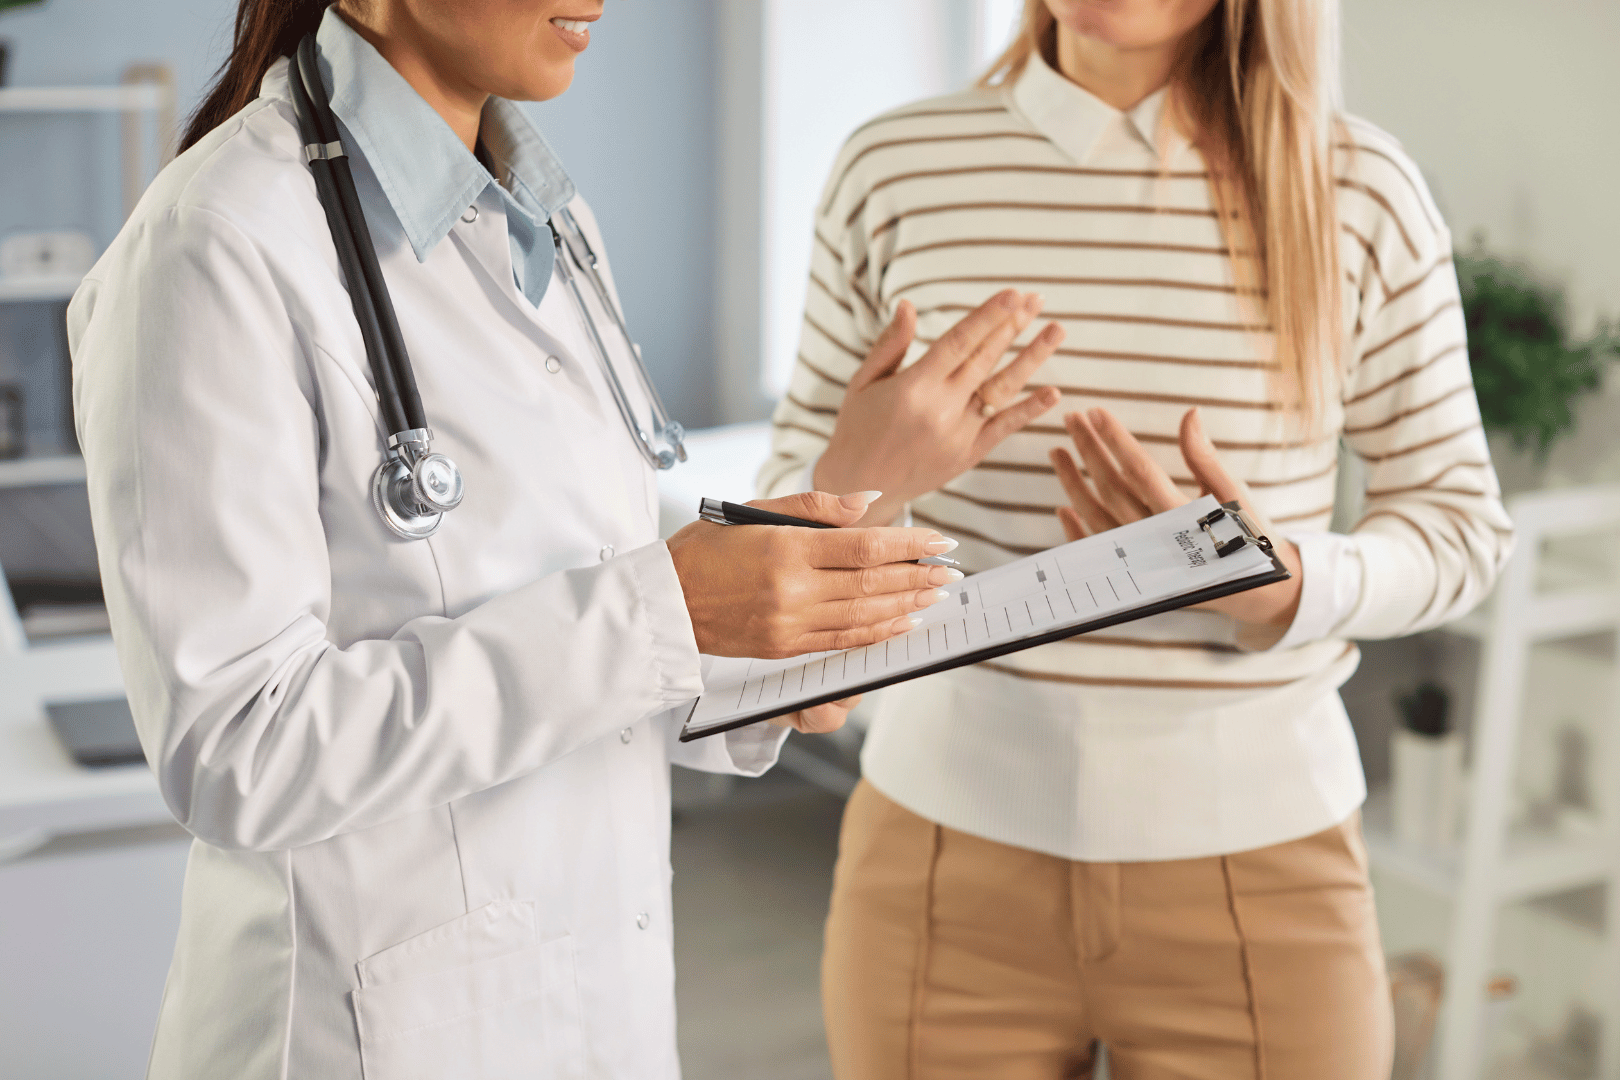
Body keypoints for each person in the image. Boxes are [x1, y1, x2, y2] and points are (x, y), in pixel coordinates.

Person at [60, 1, 1045, 1076]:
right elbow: (240, 752)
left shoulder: (547, 223)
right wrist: (668, 612)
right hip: (367, 1028)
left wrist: (760, 650)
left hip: (595, 997)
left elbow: (597, 634)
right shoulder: (215, 243)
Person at [763, 0, 1512, 1076]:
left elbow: (1460, 527)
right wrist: (862, 477)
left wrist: (1280, 584)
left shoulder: (1360, 189)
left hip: (1262, 879)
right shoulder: (893, 167)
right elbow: (781, 512)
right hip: (938, 862)